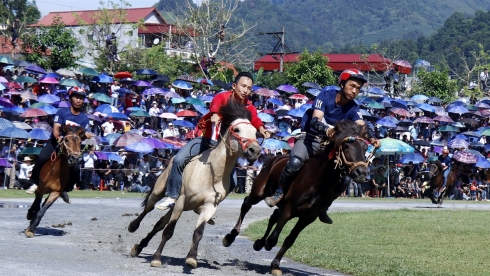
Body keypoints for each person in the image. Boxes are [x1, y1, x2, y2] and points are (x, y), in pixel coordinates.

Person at [264, 69, 380, 224]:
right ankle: (279, 192)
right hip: (311, 138)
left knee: (345, 179)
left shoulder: (353, 107)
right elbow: (315, 120)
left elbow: (362, 126)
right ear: (342, 84)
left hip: (331, 146)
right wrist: (328, 130)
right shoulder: (325, 96)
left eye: (358, 88)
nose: (354, 91)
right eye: (352, 86)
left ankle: (324, 206)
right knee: (295, 162)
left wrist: (372, 138)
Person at [156, 72, 270, 210]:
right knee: (179, 159)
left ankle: (206, 205)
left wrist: (262, 128)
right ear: (234, 86)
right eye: (243, 86)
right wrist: (215, 114)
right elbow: (215, 104)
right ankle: (172, 196)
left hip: (224, 151)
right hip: (206, 141)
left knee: (232, 182)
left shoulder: (249, 107)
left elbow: (255, 119)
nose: (246, 90)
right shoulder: (223, 97)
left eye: (249, 88)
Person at [27, 87, 91, 202]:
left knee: (76, 168)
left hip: (71, 147)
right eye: (76, 97)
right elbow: (56, 129)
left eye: (81, 98)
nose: (79, 100)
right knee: (41, 158)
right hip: (56, 142)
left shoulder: (84, 119)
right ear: (71, 98)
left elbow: (81, 135)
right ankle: (35, 182)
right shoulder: (62, 112)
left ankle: (65, 189)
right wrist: (58, 138)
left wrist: (86, 135)